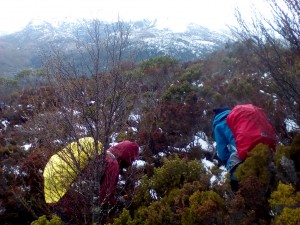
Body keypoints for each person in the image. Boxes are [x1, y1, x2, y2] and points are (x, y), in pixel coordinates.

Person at [44, 138, 139, 212]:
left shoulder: (100, 154)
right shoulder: (113, 165)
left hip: (56, 188)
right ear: (126, 159)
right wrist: (119, 200)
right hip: (70, 204)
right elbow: (104, 199)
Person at [212, 107, 242, 191]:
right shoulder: (238, 117)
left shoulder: (219, 125)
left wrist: (228, 160)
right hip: (259, 150)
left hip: (239, 160)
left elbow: (222, 154)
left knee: (236, 191)